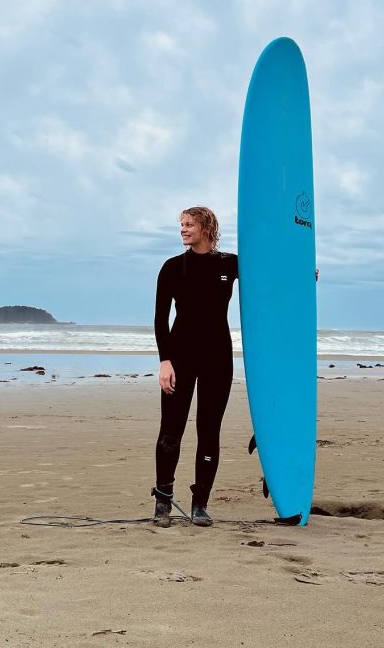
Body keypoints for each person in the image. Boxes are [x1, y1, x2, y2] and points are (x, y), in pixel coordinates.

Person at [151, 206, 236, 528]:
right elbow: (160, 318)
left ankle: (201, 503)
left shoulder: (230, 263)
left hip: (218, 356)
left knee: (209, 431)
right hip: (181, 356)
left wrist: (302, 274)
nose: (183, 230)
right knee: (171, 432)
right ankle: (163, 502)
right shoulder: (173, 267)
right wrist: (165, 361)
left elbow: (270, 278)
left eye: (189, 225)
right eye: (182, 225)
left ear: (207, 228)